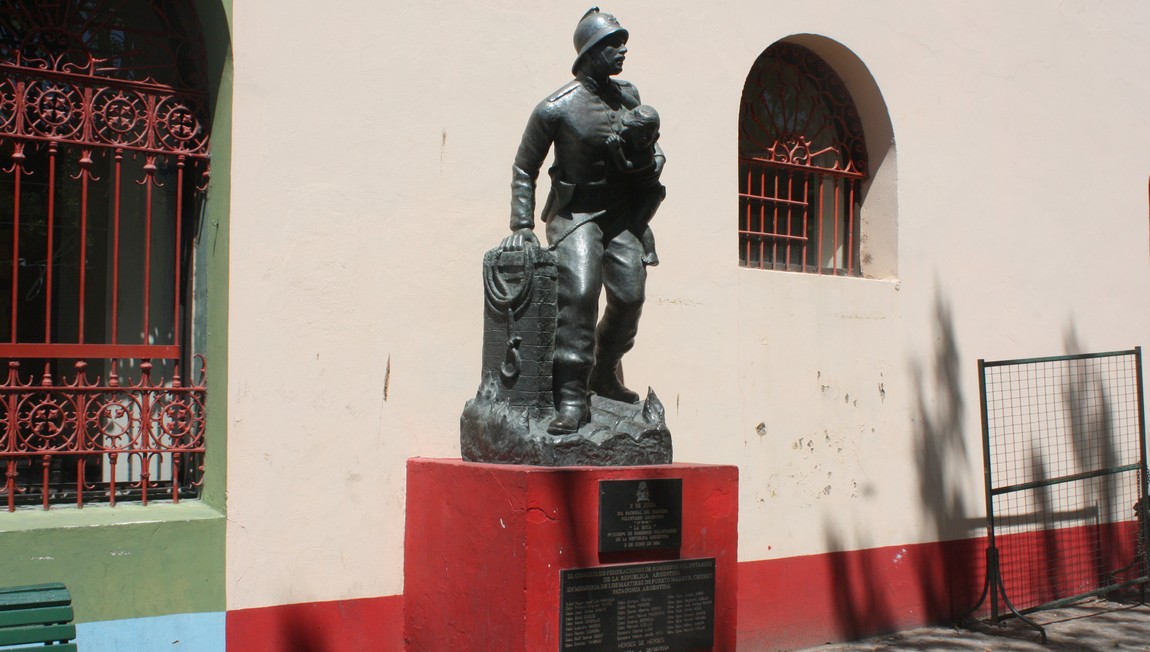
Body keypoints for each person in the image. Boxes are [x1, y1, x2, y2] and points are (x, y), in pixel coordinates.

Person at [503, 7, 665, 435]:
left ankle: (604, 373)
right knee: (579, 292)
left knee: (630, 296)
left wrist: (649, 159)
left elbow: (652, 149)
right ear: (592, 52)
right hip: (576, 214)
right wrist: (522, 225)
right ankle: (571, 397)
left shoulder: (628, 97)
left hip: (618, 214)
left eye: (622, 43)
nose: (622, 51)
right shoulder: (555, 108)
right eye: (614, 45)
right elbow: (524, 168)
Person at [606, 104, 664, 266]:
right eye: (638, 132)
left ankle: (652, 253)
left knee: (639, 221)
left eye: (648, 135)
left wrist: (615, 149)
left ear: (655, 137)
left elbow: (625, 167)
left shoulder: (647, 156)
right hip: (638, 192)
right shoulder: (628, 138)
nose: (643, 138)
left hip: (650, 194)